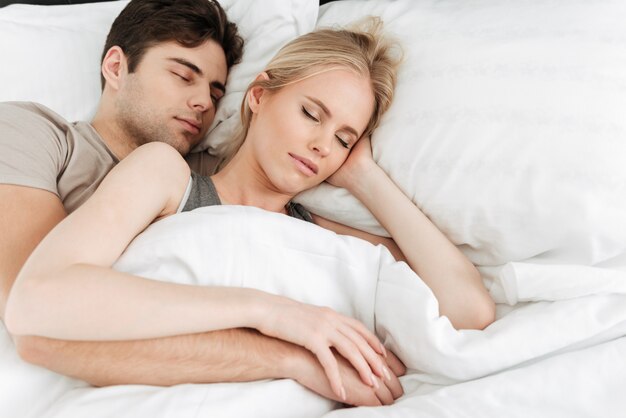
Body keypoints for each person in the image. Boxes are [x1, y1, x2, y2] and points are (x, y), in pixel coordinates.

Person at [5, 11, 496, 407]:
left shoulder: (321, 236)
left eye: (344, 138)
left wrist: (363, 176)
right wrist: (275, 321)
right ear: (258, 96)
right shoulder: (164, 174)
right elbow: (39, 306)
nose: (323, 145)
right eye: (311, 113)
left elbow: (468, 310)